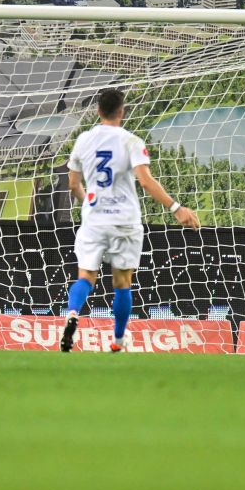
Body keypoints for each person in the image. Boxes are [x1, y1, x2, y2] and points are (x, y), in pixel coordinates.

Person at [59, 88, 200, 353]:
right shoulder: (131, 141)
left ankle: (72, 314)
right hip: (124, 220)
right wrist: (176, 208)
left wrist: (86, 199)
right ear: (121, 112)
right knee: (122, 282)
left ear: (98, 111)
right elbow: (145, 181)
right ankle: (118, 340)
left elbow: (73, 184)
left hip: (94, 219)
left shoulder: (84, 140)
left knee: (85, 276)